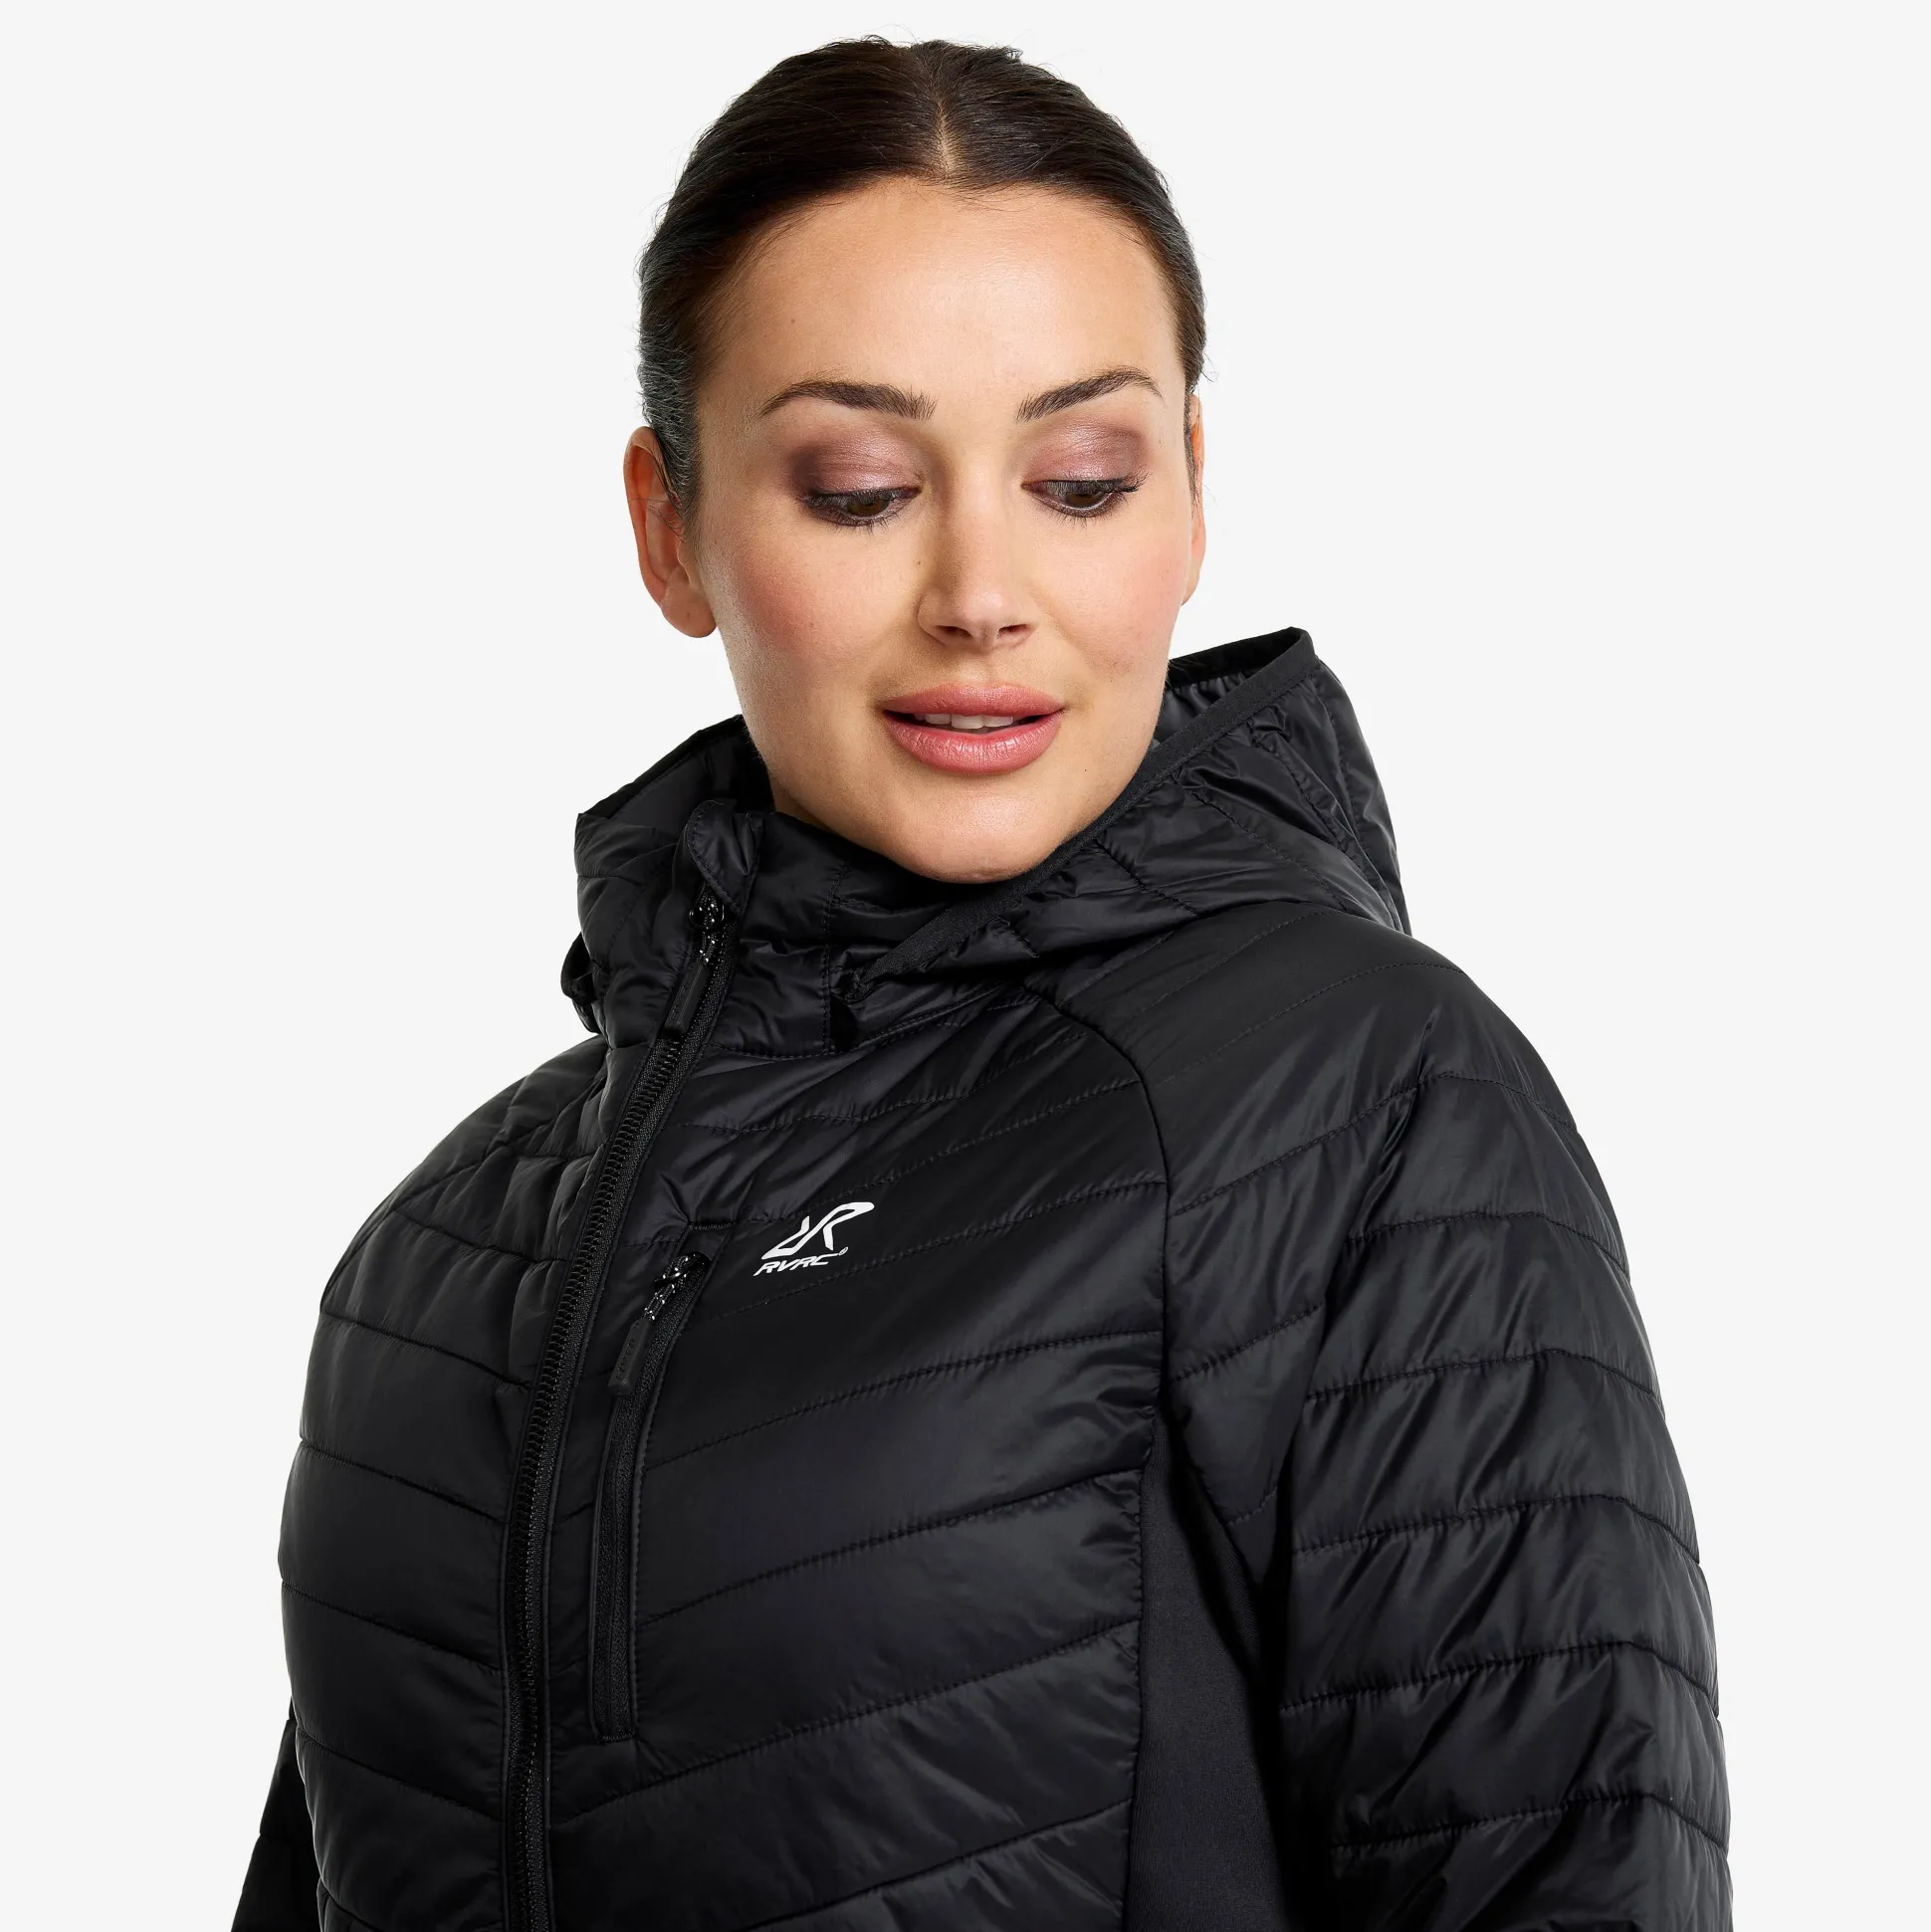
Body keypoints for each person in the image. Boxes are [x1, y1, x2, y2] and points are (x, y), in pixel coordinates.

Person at [234, 37, 1730, 1932]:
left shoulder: (1354, 1097)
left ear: (1192, 499)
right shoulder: (441, 1260)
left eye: (1081, 481)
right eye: (861, 488)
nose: (982, 591)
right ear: (671, 528)